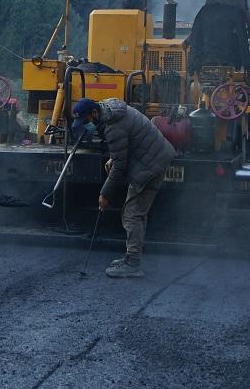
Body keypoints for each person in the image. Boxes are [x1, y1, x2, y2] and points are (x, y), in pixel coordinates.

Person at [72, 97, 176, 278]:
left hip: (150, 165)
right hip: (155, 157)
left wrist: (104, 194)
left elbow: (120, 168)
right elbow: (129, 141)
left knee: (132, 214)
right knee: (136, 212)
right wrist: (115, 156)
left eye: (86, 120)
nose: (86, 124)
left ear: (94, 113)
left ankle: (133, 263)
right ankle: (131, 256)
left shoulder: (112, 126)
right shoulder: (112, 110)